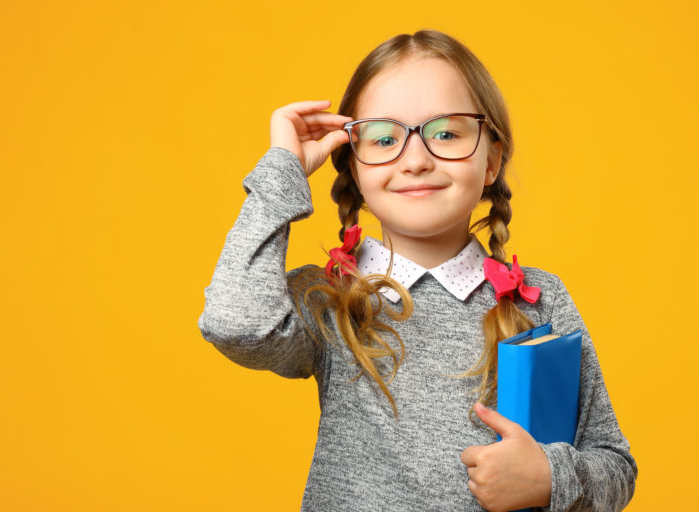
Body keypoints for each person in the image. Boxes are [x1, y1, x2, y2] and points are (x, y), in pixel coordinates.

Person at [198, 29, 637, 512]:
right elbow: (234, 322)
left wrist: (549, 477)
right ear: (355, 170)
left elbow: (614, 465)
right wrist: (283, 168)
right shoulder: (330, 297)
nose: (415, 160)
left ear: (491, 160)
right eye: (384, 138)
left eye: (446, 133)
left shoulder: (541, 298)